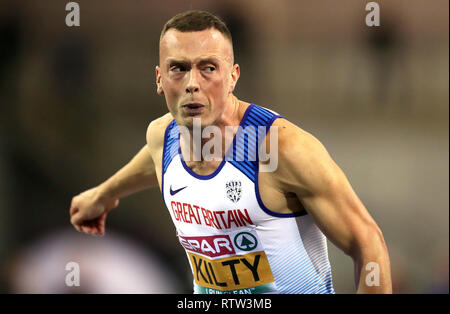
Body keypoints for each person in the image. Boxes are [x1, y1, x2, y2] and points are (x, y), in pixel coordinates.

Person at [69, 10, 392, 294]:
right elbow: (148, 163)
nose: (192, 83)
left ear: (233, 76)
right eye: (178, 69)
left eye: (208, 68)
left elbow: (369, 244)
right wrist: (103, 194)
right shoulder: (162, 136)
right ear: (159, 78)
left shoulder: (276, 148)